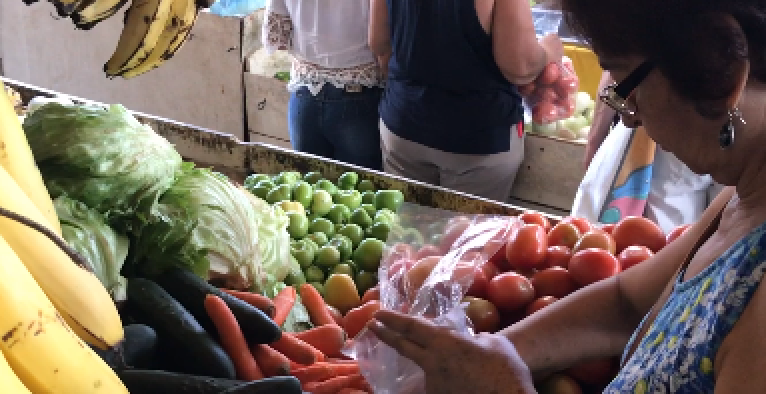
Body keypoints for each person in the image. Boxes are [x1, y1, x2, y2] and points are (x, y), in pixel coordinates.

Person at [368, 1, 766, 394]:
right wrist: (494, 356)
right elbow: (626, 304)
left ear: (723, 75)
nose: (632, 121)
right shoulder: (741, 199)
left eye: (627, 90)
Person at [368, 0, 563, 201]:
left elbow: (379, 44)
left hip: (404, 123)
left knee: (408, 225)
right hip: (478, 139)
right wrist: (548, 51)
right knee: (467, 231)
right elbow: (520, 67)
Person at [573, 70, 724, 234]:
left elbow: (722, 223)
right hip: (629, 149)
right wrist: (596, 139)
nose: (628, 120)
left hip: (673, 238)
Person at [262, 0, 383, 170]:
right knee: (363, 190)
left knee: (310, 190)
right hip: (359, 94)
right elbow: (383, 42)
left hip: (305, 94)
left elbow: (279, 37)